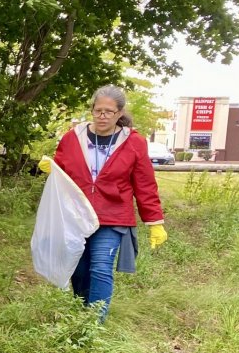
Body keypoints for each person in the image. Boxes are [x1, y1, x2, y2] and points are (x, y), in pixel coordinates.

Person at [40, 85, 166, 320]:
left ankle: (93, 323)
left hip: (113, 215)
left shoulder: (134, 142)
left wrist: (154, 221)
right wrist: (53, 169)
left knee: (100, 268)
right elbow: (63, 173)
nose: (102, 116)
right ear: (92, 110)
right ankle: (83, 312)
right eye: (98, 111)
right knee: (78, 269)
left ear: (119, 113)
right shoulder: (72, 138)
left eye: (109, 111)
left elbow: (145, 183)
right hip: (77, 215)